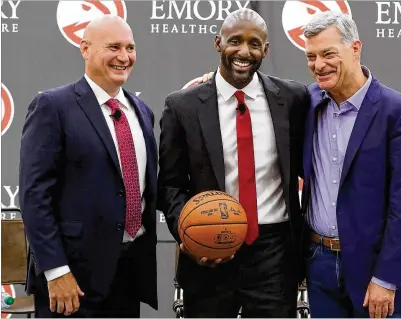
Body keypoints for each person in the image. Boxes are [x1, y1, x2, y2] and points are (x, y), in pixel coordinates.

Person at [157, 8, 309, 318]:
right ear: (218, 43)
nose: (244, 51)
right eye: (234, 41)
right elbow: (170, 185)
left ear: (265, 49)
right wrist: (188, 235)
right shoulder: (182, 106)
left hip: (274, 252)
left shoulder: (293, 98)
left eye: (255, 44)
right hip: (210, 250)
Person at [19, 16, 158, 318]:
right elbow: (34, 197)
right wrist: (56, 272)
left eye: (130, 47)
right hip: (72, 280)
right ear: (84, 49)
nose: (124, 57)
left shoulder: (142, 112)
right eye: (113, 47)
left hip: (128, 275)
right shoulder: (53, 107)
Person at [300, 11, 401, 318]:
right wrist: (212, 84)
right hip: (319, 265)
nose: (319, 65)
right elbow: (266, 96)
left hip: (376, 272)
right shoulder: (306, 103)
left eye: (328, 53)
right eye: (311, 56)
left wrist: (386, 279)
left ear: (355, 48)